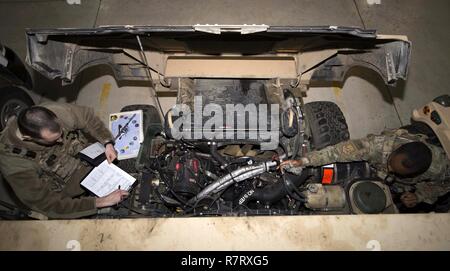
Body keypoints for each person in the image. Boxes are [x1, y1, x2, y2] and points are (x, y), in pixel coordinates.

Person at [0, 102, 129, 219]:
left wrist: (107, 142)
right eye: (54, 140)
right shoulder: (14, 163)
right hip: (71, 187)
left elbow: (87, 117)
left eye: (61, 134)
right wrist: (101, 202)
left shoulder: (56, 112)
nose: (61, 140)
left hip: (88, 156)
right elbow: (48, 204)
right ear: (28, 138)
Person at [280, 127, 450, 208]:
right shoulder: (376, 146)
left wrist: (419, 195)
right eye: (390, 163)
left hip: (402, 187)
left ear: (418, 173)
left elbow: (442, 186)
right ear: (395, 150)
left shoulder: (441, 168)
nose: (389, 169)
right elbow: (336, 153)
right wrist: (303, 161)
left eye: (395, 171)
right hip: (373, 165)